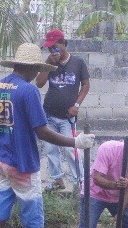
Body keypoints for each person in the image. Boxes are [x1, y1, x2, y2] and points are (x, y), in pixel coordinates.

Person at [0, 43, 95, 228]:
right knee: (31, 220)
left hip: (2, 162)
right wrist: (75, 142)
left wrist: (1, 139)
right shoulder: (28, 91)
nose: (38, 73)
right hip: (24, 165)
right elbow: (42, 131)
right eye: (38, 69)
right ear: (31, 67)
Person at [35, 29, 90, 191]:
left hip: (67, 117)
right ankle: (57, 179)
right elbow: (39, 83)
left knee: (70, 149)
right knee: (50, 148)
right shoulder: (49, 63)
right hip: (48, 114)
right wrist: (48, 63)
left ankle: (80, 181)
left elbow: (86, 85)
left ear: (64, 44)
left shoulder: (78, 62)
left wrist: (77, 105)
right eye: (49, 47)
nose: (52, 50)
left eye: (55, 46)